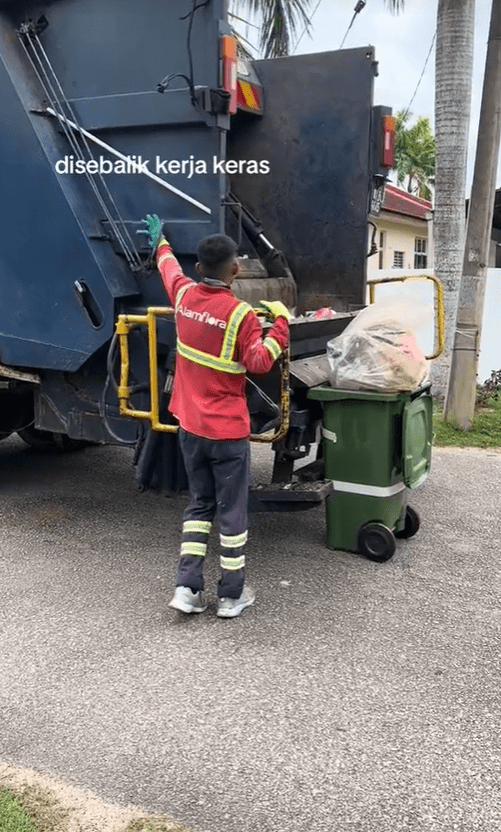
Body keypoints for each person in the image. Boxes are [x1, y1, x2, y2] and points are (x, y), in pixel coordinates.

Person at [140, 214, 290, 618]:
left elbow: (168, 270)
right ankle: (230, 595)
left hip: (190, 427)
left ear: (199, 267)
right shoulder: (241, 315)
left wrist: (161, 242)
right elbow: (259, 362)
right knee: (232, 511)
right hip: (227, 433)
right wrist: (281, 324)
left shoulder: (184, 296)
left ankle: (187, 588)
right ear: (235, 270)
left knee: (199, 504)